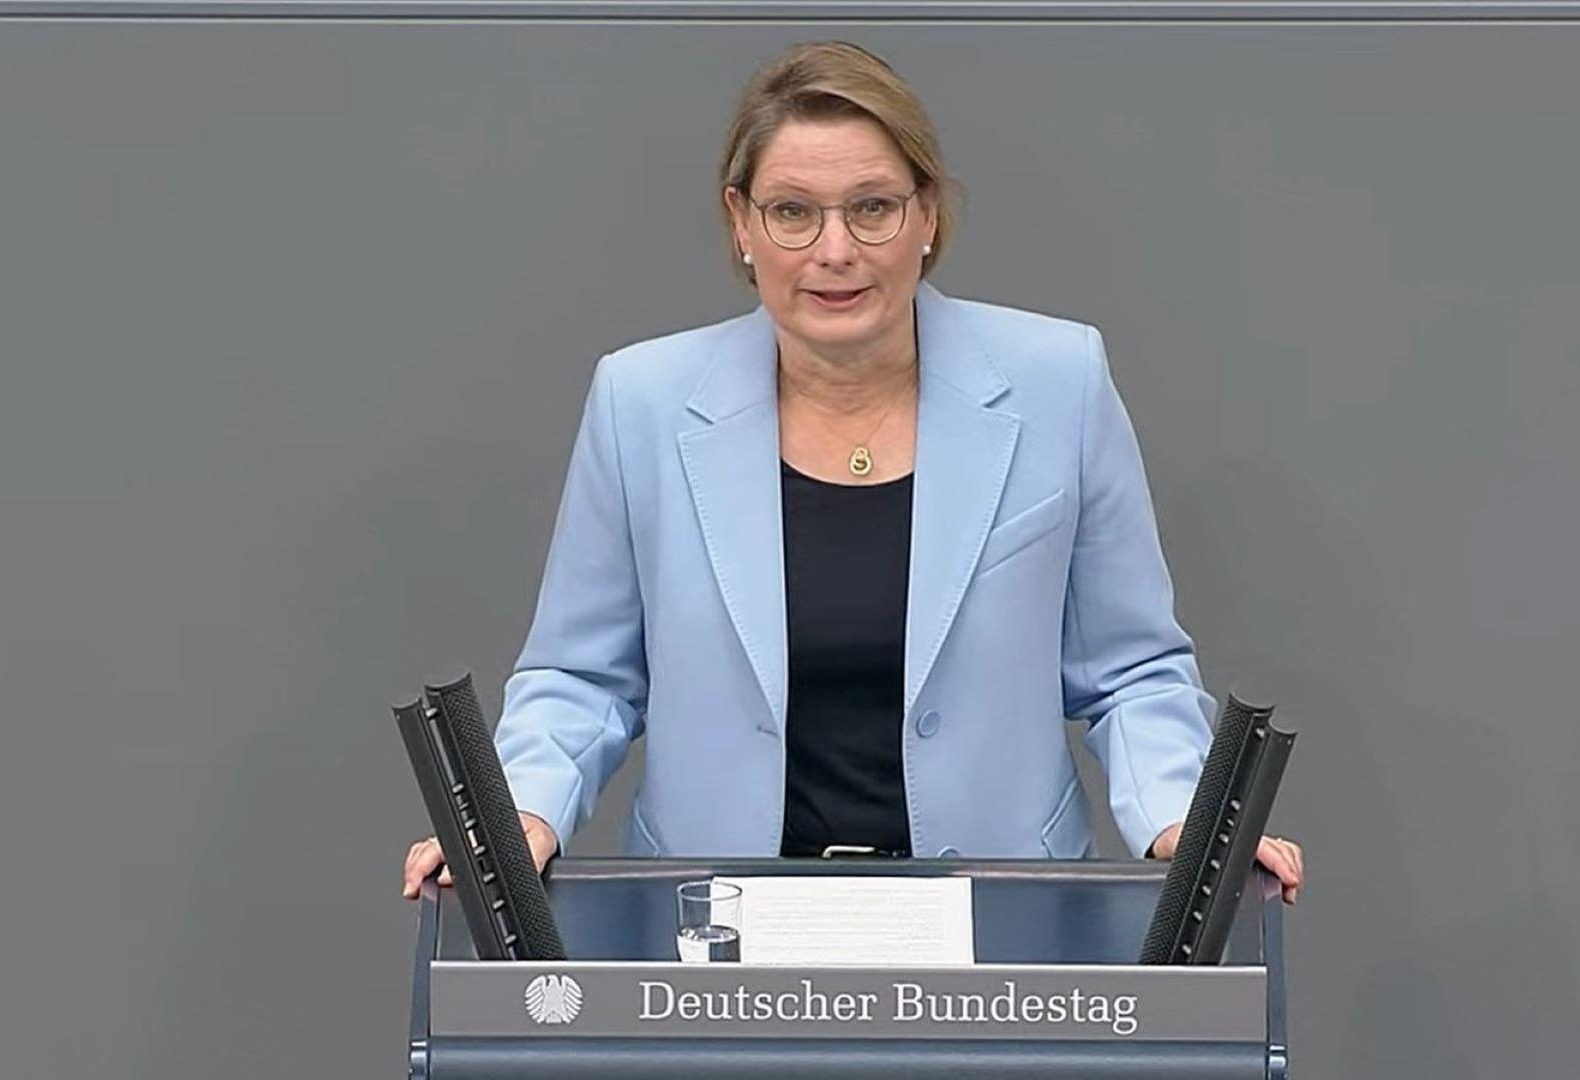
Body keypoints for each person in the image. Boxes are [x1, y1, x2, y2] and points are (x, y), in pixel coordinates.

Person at [402, 40, 1303, 903]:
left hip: (1002, 919)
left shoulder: (1058, 383)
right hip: (714, 921)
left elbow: (1131, 670)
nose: (834, 250)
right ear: (742, 223)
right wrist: (516, 814)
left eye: (872, 207)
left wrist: (1189, 825)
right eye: (793, 212)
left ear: (928, 215)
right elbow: (580, 677)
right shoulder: (640, 401)